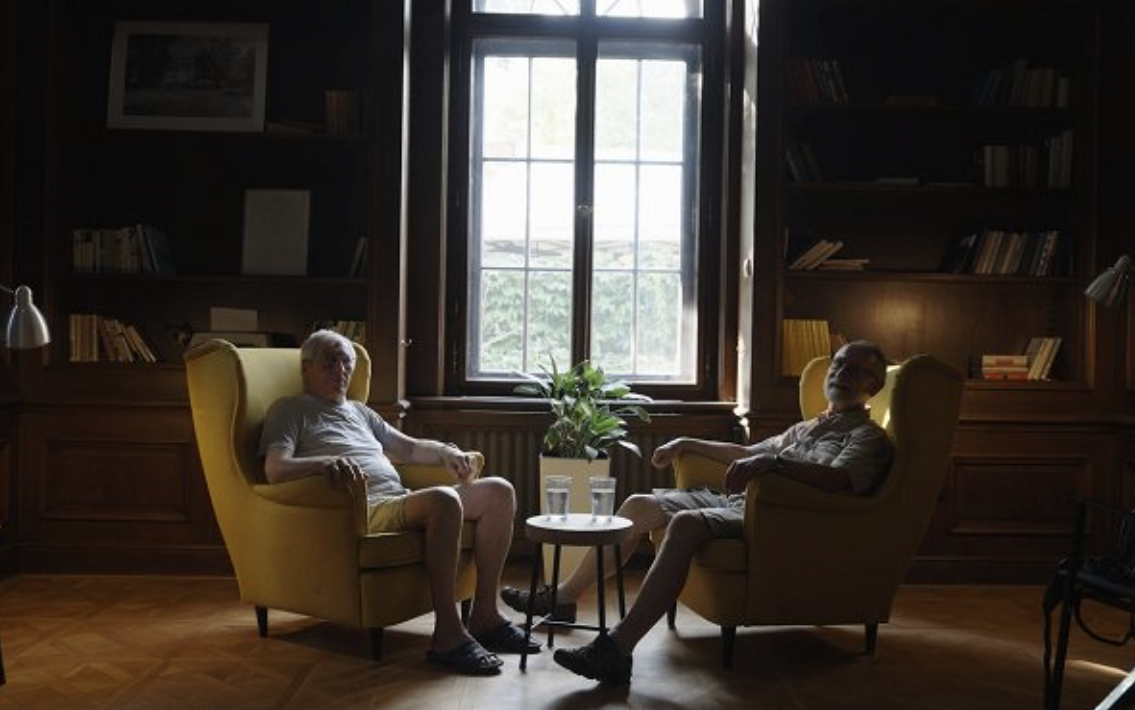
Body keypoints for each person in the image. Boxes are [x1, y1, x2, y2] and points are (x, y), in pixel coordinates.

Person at [500, 340, 893, 684]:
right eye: (839, 363)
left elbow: (838, 481)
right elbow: (747, 453)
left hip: (779, 520)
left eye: (855, 370)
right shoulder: (805, 428)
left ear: (873, 387)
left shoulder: (867, 436)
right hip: (739, 504)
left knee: (686, 523)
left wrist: (774, 464)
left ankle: (617, 649)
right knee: (639, 505)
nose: (841, 372)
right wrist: (687, 442)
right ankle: (564, 598)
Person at [260, 329, 537, 677]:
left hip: (398, 499)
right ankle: (448, 634)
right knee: (444, 500)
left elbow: (409, 448)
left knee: (499, 492)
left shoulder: (360, 412)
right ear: (306, 367)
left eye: (346, 362)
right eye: (330, 361)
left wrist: (447, 452)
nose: (341, 370)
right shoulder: (290, 410)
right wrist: (324, 463)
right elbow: (275, 469)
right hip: (364, 510)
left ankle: (485, 615)